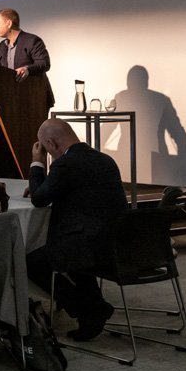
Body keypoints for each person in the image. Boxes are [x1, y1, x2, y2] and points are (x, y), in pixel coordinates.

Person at [25, 118, 127, 341]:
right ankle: (94, 308)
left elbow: (39, 199)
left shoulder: (65, 165)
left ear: (50, 143)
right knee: (72, 256)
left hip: (87, 245)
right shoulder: (104, 159)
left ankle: (89, 309)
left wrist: (37, 163)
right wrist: (45, 185)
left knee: (31, 263)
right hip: (116, 243)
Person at [0, 8, 54, 106]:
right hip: (13, 98)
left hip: (35, 98)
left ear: (9, 23)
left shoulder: (32, 41)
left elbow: (43, 63)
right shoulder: (3, 45)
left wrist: (27, 69)